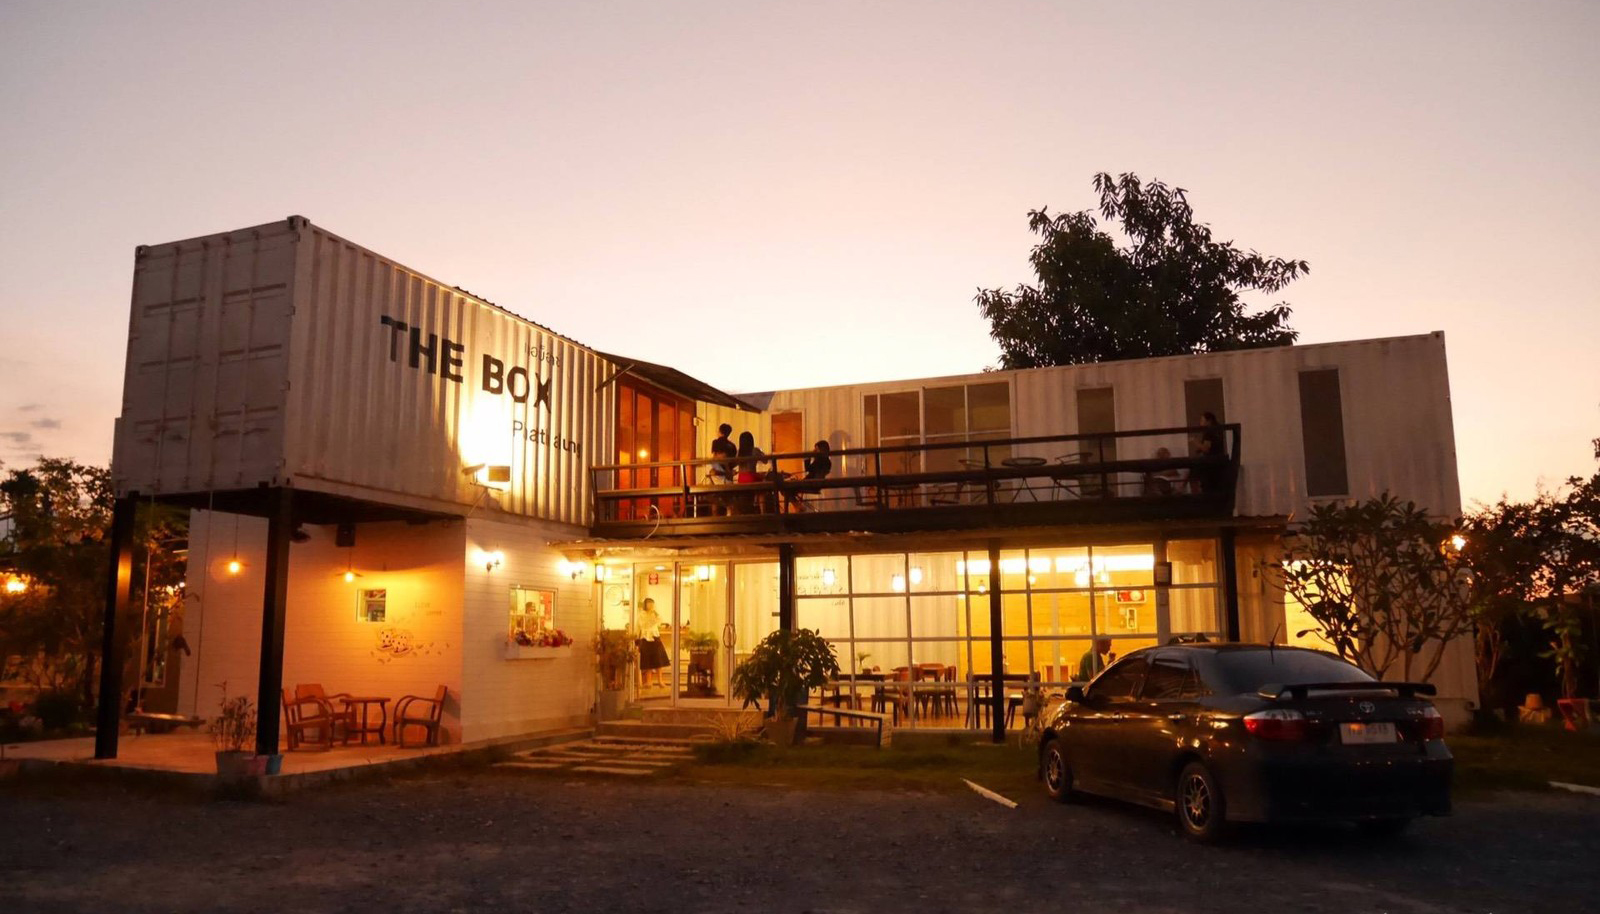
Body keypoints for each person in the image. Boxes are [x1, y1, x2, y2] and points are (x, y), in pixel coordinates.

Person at [635, 598, 669, 688]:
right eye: (649, 603)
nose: (651, 605)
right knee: (647, 661)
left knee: (659, 660)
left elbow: (659, 622)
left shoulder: (655, 613)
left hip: (655, 637)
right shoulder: (641, 615)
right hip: (645, 638)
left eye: (652, 604)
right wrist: (637, 642)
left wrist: (655, 614)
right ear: (645, 605)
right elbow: (642, 625)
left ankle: (660, 681)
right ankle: (649, 682)